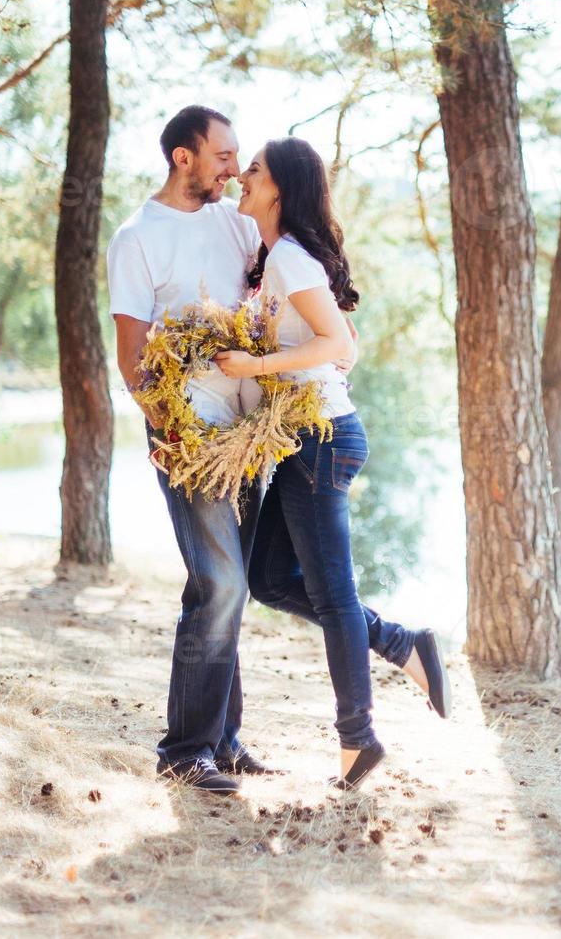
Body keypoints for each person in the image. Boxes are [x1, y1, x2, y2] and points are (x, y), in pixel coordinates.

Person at [213, 136, 451, 791]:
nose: (241, 177)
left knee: (332, 592)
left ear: (279, 189)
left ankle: (358, 739)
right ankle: (404, 646)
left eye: (252, 171)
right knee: (267, 581)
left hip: (323, 438)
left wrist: (257, 366)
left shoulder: (288, 256)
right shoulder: (275, 259)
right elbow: (344, 343)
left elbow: (337, 340)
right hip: (301, 440)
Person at [107, 105, 277, 795]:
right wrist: (168, 432)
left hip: (249, 433)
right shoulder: (137, 238)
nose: (233, 167)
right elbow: (131, 358)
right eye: (223, 156)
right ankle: (184, 749)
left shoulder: (234, 225)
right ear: (184, 158)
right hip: (189, 437)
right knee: (222, 582)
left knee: (227, 585)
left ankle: (222, 741)